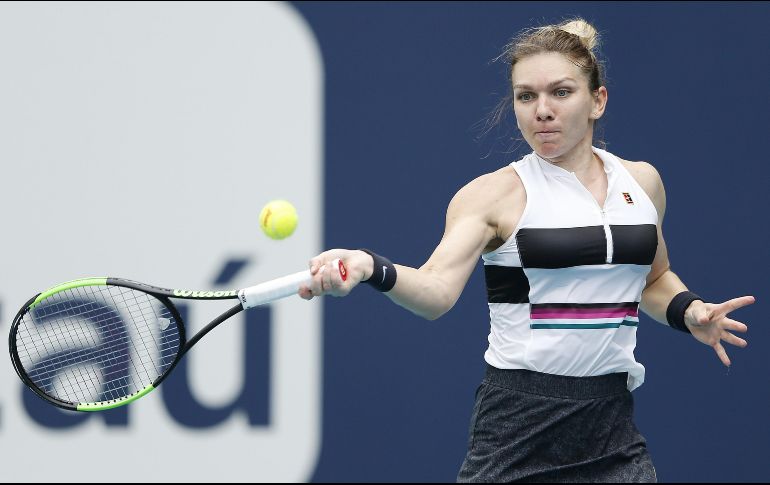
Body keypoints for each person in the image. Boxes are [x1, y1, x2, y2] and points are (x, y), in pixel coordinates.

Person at [297, 18, 755, 483]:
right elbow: (435, 290)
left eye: (560, 92)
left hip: (612, 429)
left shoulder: (642, 183)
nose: (542, 110)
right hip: (518, 428)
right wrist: (371, 267)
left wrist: (690, 310)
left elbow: (653, 278)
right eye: (526, 96)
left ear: (598, 100)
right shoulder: (493, 196)